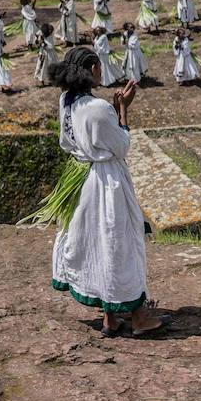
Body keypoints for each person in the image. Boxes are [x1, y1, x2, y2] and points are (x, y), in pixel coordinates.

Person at [50, 48, 167, 337]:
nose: (101, 73)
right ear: (91, 70)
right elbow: (121, 145)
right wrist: (123, 109)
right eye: (99, 67)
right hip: (106, 183)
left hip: (82, 179)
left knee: (97, 243)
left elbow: (72, 140)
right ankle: (139, 318)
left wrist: (112, 113)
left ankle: (110, 318)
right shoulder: (98, 108)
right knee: (118, 242)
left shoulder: (66, 101)